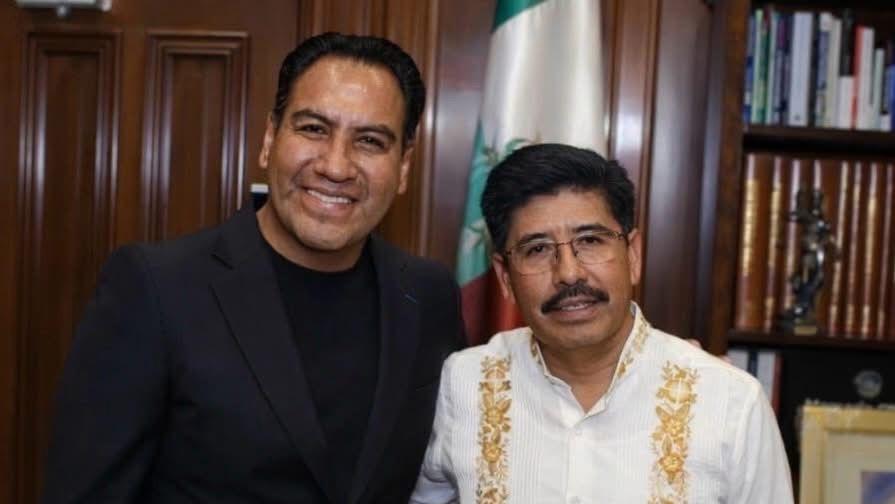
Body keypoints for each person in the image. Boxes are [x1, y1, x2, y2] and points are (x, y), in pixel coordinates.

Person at [43, 32, 463, 504]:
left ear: (403, 167)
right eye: (313, 129)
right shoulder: (156, 289)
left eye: (369, 141)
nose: (336, 166)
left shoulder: (429, 295)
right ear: (269, 139)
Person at [410, 143, 793, 503]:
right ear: (505, 278)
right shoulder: (462, 385)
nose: (569, 273)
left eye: (590, 241)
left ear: (633, 255)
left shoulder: (730, 403)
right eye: (537, 249)